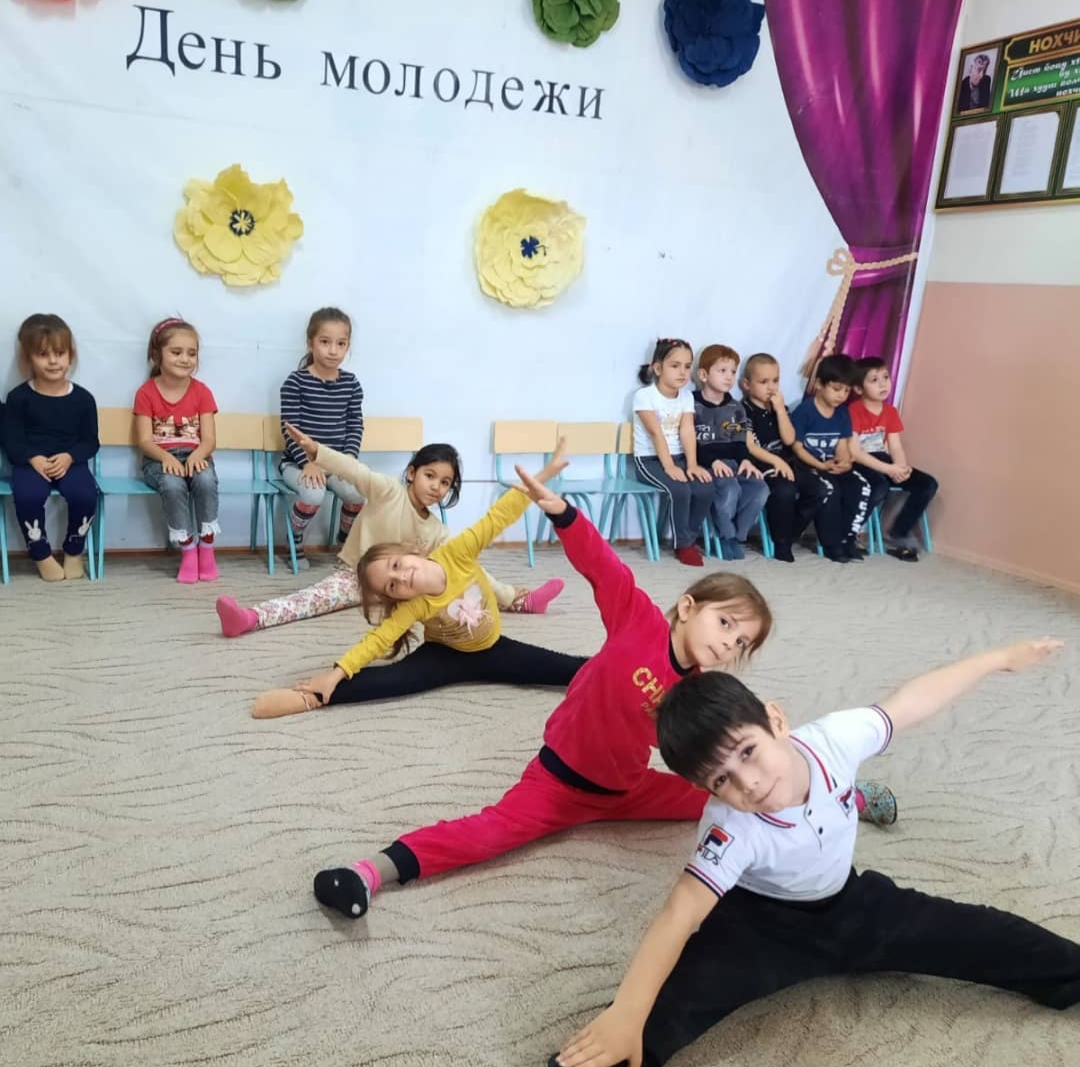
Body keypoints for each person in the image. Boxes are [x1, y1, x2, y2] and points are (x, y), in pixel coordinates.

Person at [310, 466, 893, 921]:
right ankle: (369, 872)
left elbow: (737, 747)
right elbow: (602, 564)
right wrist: (562, 512)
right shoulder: (638, 619)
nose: (727, 643)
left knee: (740, 797)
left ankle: (847, 796)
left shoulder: (703, 691)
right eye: (724, 624)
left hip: (628, 789)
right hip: (558, 783)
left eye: (740, 642)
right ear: (687, 606)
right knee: (487, 833)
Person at [548, 637, 1073, 1067]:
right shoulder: (730, 828)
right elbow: (679, 913)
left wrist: (996, 659)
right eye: (721, 780)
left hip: (853, 903)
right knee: (643, 1029)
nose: (749, 783)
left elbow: (910, 703)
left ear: (776, 721)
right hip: (760, 926)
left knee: (993, 935)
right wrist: (628, 1012)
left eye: (748, 752)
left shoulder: (833, 739)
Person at [251, 441, 583, 718]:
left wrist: (542, 478)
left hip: (493, 648)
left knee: (568, 669)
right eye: (392, 585)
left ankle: (611, 671)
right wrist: (336, 673)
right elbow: (378, 640)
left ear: (412, 551)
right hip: (443, 655)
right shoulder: (414, 604)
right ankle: (313, 697)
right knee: (394, 680)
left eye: (397, 565)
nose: (402, 577)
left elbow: (498, 517)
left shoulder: (455, 551)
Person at [215, 425, 564, 636]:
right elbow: (354, 470)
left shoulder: (436, 531)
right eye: (430, 476)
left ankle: (519, 600)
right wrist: (317, 452)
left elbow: (466, 567)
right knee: (311, 600)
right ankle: (250, 618)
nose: (436, 487)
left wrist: (503, 594)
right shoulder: (387, 491)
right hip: (358, 576)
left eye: (445, 483)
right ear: (412, 473)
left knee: (465, 574)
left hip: (402, 591)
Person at [3, 313, 98, 581]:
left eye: (60, 353)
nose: (54, 361)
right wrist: (32, 458)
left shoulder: (83, 399)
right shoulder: (18, 398)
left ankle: (74, 550)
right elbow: (11, 440)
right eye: (43, 354)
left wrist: (70, 456)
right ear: (28, 358)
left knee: (85, 495)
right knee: (28, 497)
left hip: (70, 462)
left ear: (70, 355)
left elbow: (91, 441)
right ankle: (41, 554)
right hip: (30, 464)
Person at [134, 317, 220, 583]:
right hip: (158, 460)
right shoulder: (146, 393)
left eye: (191, 353)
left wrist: (197, 455)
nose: (185, 359)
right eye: (176, 352)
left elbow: (209, 440)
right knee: (172, 485)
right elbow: (144, 441)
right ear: (156, 354)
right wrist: (166, 457)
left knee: (205, 480)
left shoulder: (202, 392)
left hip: (196, 455)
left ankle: (207, 548)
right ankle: (188, 550)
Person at [278, 307, 365, 568]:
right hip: (298, 463)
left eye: (341, 343)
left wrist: (347, 459)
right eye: (325, 342)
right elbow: (290, 430)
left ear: (348, 346)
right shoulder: (296, 382)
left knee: (358, 492)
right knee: (314, 494)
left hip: (335, 462)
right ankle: (294, 538)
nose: (333, 350)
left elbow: (355, 425)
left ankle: (345, 539)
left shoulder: (351, 384)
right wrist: (308, 462)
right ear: (311, 343)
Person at [632, 339, 713, 567]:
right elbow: (655, 433)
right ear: (658, 368)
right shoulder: (644, 396)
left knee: (705, 488)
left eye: (687, 366)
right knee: (679, 490)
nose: (683, 372)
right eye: (675, 366)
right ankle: (683, 545)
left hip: (679, 458)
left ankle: (690, 536)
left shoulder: (686, 397)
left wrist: (692, 464)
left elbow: (687, 430)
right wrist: (668, 467)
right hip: (649, 460)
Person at [849, 357, 938, 562]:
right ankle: (850, 533)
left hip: (885, 462)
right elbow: (854, 452)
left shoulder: (890, 412)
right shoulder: (854, 410)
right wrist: (889, 470)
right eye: (874, 380)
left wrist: (900, 468)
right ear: (859, 388)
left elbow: (895, 446)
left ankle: (899, 531)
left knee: (928, 484)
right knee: (878, 485)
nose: (883, 384)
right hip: (862, 464)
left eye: (885, 377)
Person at [790, 354, 871, 564]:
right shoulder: (805, 411)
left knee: (861, 486)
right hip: (807, 465)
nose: (842, 395)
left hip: (830, 465)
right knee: (829, 488)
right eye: (836, 389)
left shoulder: (842, 413)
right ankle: (831, 544)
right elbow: (797, 447)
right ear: (819, 384)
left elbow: (842, 445)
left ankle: (847, 538)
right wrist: (820, 465)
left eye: (846, 391)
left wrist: (845, 463)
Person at [691, 344, 769, 560]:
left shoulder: (736, 407)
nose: (729, 377)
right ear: (703, 375)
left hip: (734, 463)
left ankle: (737, 535)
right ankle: (725, 536)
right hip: (706, 465)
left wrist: (746, 460)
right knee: (729, 488)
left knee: (760, 488)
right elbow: (691, 443)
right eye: (722, 371)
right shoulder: (691, 404)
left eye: (733, 372)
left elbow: (740, 440)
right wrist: (713, 461)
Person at [739, 352, 817, 563]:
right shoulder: (742, 410)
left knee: (818, 489)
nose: (771, 387)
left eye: (775, 381)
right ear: (747, 384)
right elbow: (750, 446)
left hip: (788, 462)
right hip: (762, 463)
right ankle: (782, 543)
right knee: (784, 490)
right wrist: (776, 461)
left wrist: (781, 410)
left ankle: (792, 533)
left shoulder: (780, 408)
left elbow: (790, 439)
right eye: (763, 382)